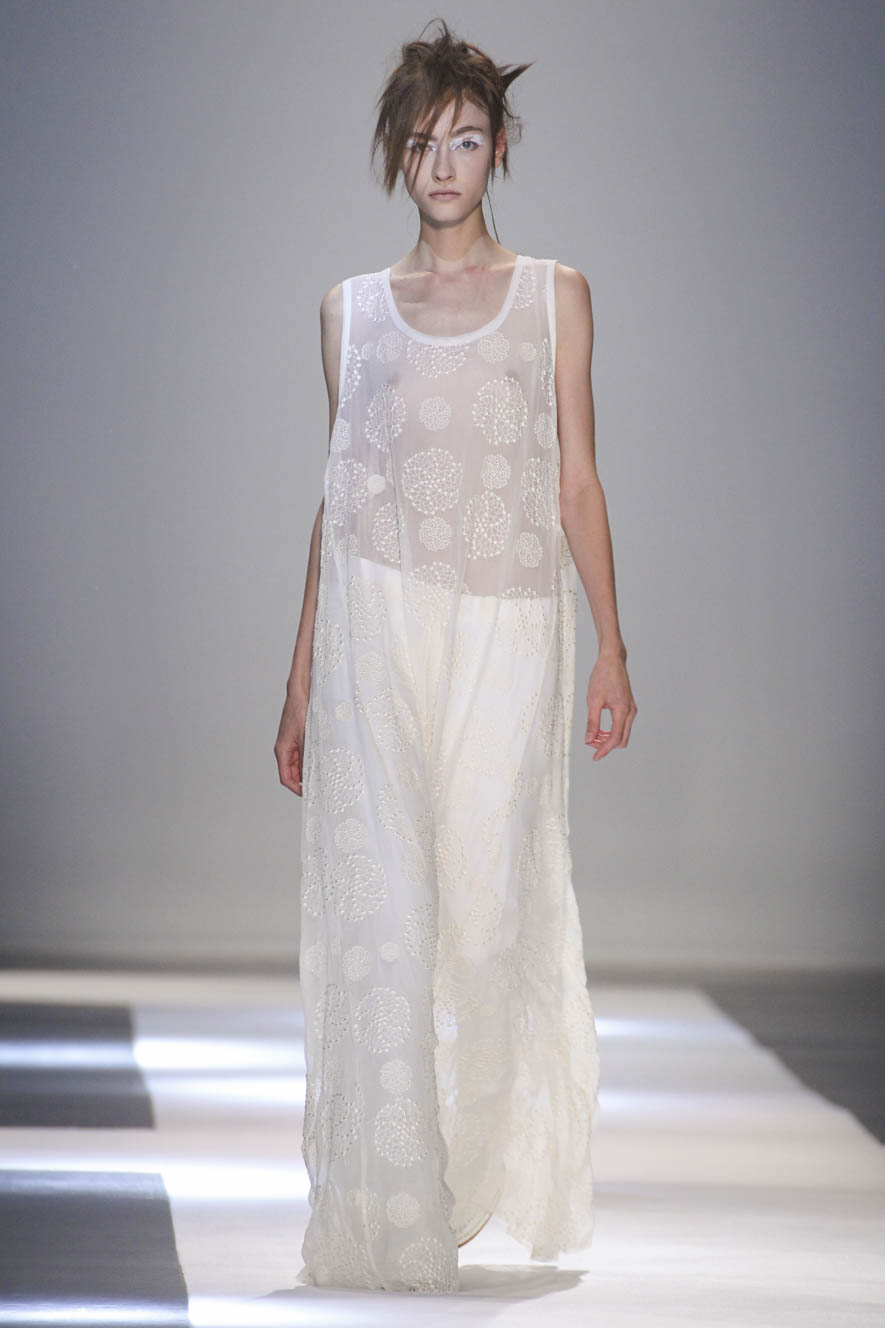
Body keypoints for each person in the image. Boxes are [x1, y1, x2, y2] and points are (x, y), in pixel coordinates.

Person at [274, 18, 637, 1295]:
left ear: (500, 148)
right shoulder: (350, 312)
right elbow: (338, 500)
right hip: (373, 634)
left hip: (507, 630)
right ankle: (397, 1205)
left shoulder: (555, 296)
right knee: (386, 918)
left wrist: (612, 645)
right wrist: (297, 680)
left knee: (484, 919)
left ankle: (467, 1167)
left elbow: (578, 480)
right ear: (397, 152)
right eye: (424, 142)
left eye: (466, 140)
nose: (443, 164)